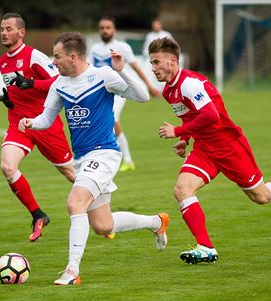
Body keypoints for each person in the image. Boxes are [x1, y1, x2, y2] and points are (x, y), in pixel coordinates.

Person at [19, 31, 170, 285]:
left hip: (105, 153)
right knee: (103, 225)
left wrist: (121, 70)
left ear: (73, 57)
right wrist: (31, 122)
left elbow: (143, 96)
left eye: (57, 57)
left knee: (74, 202)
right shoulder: (59, 84)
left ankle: (72, 270)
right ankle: (156, 222)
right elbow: (47, 118)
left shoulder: (102, 76)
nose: (53, 62)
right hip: (82, 158)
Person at [148, 37, 271, 264]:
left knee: (261, 196)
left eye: (157, 62)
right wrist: (186, 138)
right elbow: (191, 115)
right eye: (152, 63)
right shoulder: (169, 91)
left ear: (172, 60)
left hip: (229, 146)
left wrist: (178, 131)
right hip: (205, 149)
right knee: (182, 189)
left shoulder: (190, 83)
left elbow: (211, 115)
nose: (153, 68)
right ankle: (206, 247)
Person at [0, 12, 75, 242]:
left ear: (21, 33)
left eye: (9, 29)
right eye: (2, 28)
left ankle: (103, 209)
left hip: (45, 123)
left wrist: (32, 83)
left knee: (71, 173)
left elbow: (59, 81)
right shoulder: (1, 62)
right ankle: (38, 214)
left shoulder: (34, 56)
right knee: (7, 166)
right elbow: (16, 88)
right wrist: (10, 100)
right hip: (19, 123)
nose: (4, 32)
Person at [89, 16, 161, 172]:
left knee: (113, 119)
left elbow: (136, 67)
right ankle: (103, 157)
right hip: (101, 93)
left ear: (114, 30)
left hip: (118, 91)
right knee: (102, 123)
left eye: (108, 27)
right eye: (102, 28)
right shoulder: (94, 49)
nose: (105, 30)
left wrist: (149, 86)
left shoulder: (122, 47)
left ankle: (127, 160)